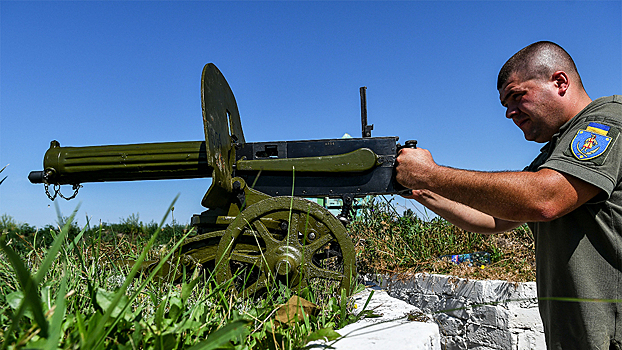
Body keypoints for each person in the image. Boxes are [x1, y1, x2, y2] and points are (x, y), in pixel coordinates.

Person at [395, 41, 622, 350]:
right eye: (505, 105)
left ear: (560, 82)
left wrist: (432, 173)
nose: (510, 113)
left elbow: (545, 199)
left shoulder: (607, 122)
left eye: (517, 96)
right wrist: (424, 190)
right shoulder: (553, 155)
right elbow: (494, 219)